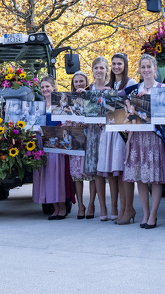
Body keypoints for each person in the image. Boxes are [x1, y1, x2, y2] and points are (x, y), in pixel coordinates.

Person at [123, 55, 165, 228]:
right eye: (143, 67)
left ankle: (154, 215)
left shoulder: (162, 88)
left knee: (154, 178)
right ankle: (145, 213)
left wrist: (149, 102)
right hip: (137, 137)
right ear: (140, 70)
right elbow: (127, 113)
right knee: (140, 177)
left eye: (149, 66)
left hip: (154, 136)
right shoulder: (134, 90)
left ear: (155, 68)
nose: (146, 70)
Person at [101, 53, 137, 224]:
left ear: (125, 65)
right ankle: (123, 209)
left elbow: (131, 107)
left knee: (124, 172)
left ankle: (127, 209)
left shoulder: (130, 84)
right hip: (110, 131)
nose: (116, 67)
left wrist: (114, 94)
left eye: (119, 64)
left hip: (123, 131)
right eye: (114, 63)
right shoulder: (108, 84)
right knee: (115, 172)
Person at [32, 76, 71, 220]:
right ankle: (55, 208)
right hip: (42, 142)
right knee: (47, 175)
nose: (45, 89)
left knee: (57, 175)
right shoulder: (39, 106)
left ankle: (62, 207)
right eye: (42, 87)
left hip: (56, 142)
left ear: (53, 87)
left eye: (47, 86)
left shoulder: (60, 104)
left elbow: (65, 123)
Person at [70, 69, 97, 219]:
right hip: (76, 138)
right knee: (76, 175)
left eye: (82, 81)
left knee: (91, 174)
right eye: (76, 81)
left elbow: (96, 114)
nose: (79, 83)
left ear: (86, 82)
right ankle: (81, 205)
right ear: (73, 84)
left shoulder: (92, 96)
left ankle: (91, 204)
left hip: (89, 136)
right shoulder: (68, 98)